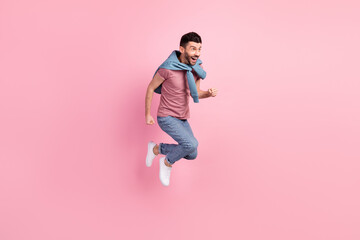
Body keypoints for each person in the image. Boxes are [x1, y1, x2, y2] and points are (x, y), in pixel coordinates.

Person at [145, 32, 218, 186]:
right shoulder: (167, 68)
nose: (197, 53)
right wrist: (147, 114)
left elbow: (196, 93)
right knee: (191, 144)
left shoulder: (196, 69)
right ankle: (166, 163)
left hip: (182, 117)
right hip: (166, 117)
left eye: (199, 49)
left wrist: (208, 94)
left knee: (192, 153)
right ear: (182, 49)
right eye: (193, 49)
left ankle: (156, 149)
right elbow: (151, 87)